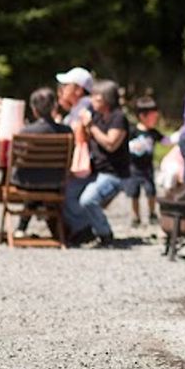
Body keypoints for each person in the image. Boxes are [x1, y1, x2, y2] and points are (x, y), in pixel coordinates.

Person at [63, 80, 128, 247]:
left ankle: (105, 234)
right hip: (94, 171)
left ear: (106, 99)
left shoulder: (118, 118)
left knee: (87, 200)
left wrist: (90, 126)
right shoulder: (97, 116)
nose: (91, 100)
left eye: (95, 97)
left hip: (113, 174)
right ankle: (83, 230)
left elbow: (111, 144)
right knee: (66, 194)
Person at [12, 88, 72, 240]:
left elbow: (17, 160)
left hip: (26, 183)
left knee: (34, 177)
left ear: (33, 109)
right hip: (56, 182)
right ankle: (57, 231)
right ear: (54, 107)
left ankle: (21, 228)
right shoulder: (66, 132)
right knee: (41, 178)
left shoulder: (25, 131)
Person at [123, 96, 163, 227]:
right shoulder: (133, 131)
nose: (156, 119)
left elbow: (165, 141)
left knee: (151, 191)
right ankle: (136, 216)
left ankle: (152, 213)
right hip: (133, 168)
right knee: (134, 193)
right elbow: (124, 144)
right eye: (153, 116)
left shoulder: (153, 132)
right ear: (142, 116)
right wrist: (133, 146)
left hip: (148, 169)